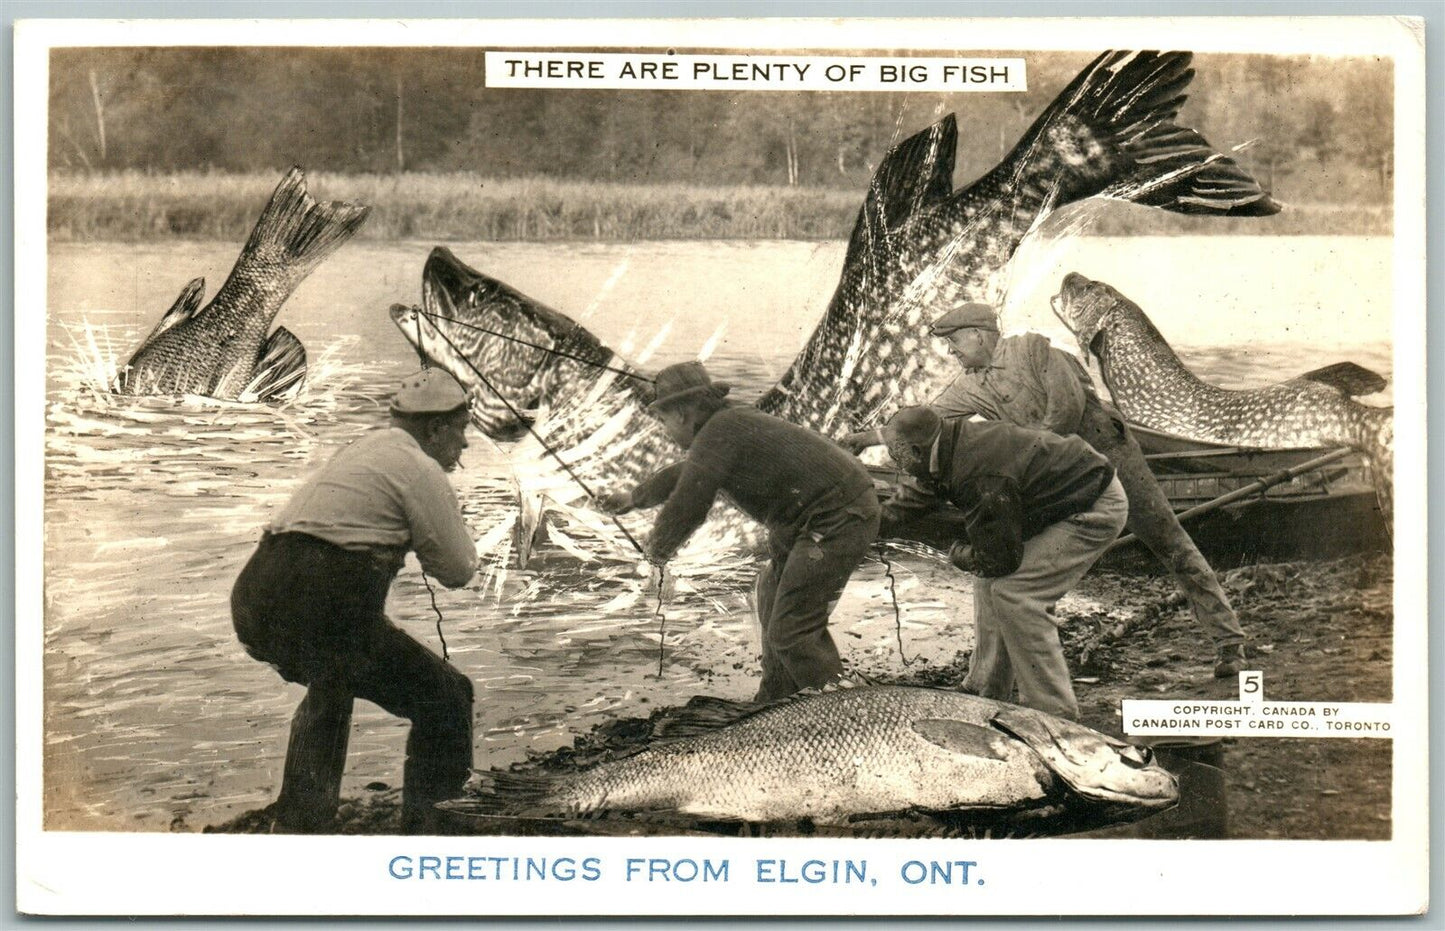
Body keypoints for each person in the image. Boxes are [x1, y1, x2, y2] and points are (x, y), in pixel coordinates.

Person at [842, 302, 1248, 678]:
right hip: (1050, 477)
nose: (950, 352)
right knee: (1008, 568)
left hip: (1108, 454)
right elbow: (925, 421)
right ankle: (990, 678)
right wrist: (866, 438)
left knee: (1169, 541)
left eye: (954, 341)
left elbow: (1067, 409)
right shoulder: (968, 385)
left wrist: (1022, 454)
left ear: (980, 335)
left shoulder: (1034, 352)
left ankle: (1230, 643)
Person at [230, 369, 478, 834]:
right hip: (321, 599)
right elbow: (458, 571)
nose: (464, 445)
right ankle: (436, 828)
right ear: (436, 428)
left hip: (256, 595)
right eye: (462, 429)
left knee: (332, 681)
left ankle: (302, 817)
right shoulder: (420, 469)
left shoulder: (363, 449)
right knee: (446, 697)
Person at [599, 361, 880, 702]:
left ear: (684, 413)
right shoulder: (724, 426)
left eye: (663, 420)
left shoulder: (720, 431)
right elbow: (686, 474)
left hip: (836, 519)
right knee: (770, 596)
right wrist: (634, 498)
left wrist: (656, 552)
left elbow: (689, 503)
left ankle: (844, 712)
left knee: (793, 631)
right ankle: (776, 699)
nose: (663, 430)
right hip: (813, 518)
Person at [878, 406, 1127, 719]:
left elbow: (1000, 560)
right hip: (1056, 497)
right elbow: (922, 491)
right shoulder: (946, 443)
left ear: (917, 450)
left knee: (1017, 595)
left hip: (1092, 507)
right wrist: (873, 522)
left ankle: (1053, 712)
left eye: (894, 454)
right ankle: (985, 688)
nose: (891, 462)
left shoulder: (980, 474)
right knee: (988, 583)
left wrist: (960, 555)